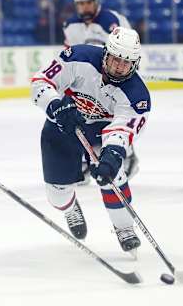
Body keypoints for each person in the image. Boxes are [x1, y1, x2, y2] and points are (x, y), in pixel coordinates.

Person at [31, 27, 150, 254]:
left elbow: (121, 130)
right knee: (57, 194)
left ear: (135, 64)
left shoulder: (137, 96)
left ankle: (124, 227)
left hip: (99, 135)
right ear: (105, 53)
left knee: (112, 175)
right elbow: (40, 82)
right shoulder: (78, 57)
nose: (118, 67)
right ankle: (70, 207)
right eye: (115, 60)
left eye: (125, 64)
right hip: (62, 126)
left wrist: (112, 155)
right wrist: (55, 105)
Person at [62, 0, 137, 185]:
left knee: (115, 118)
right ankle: (85, 159)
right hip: (87, 79)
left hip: (114, 78)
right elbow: (71, 56)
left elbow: (131, 49)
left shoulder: (114, 21)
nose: (85, 7)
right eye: (81, 4)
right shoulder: (70, 25)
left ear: (96, 1)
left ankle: (127, 156)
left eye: (88, 2)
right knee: (80, 117)